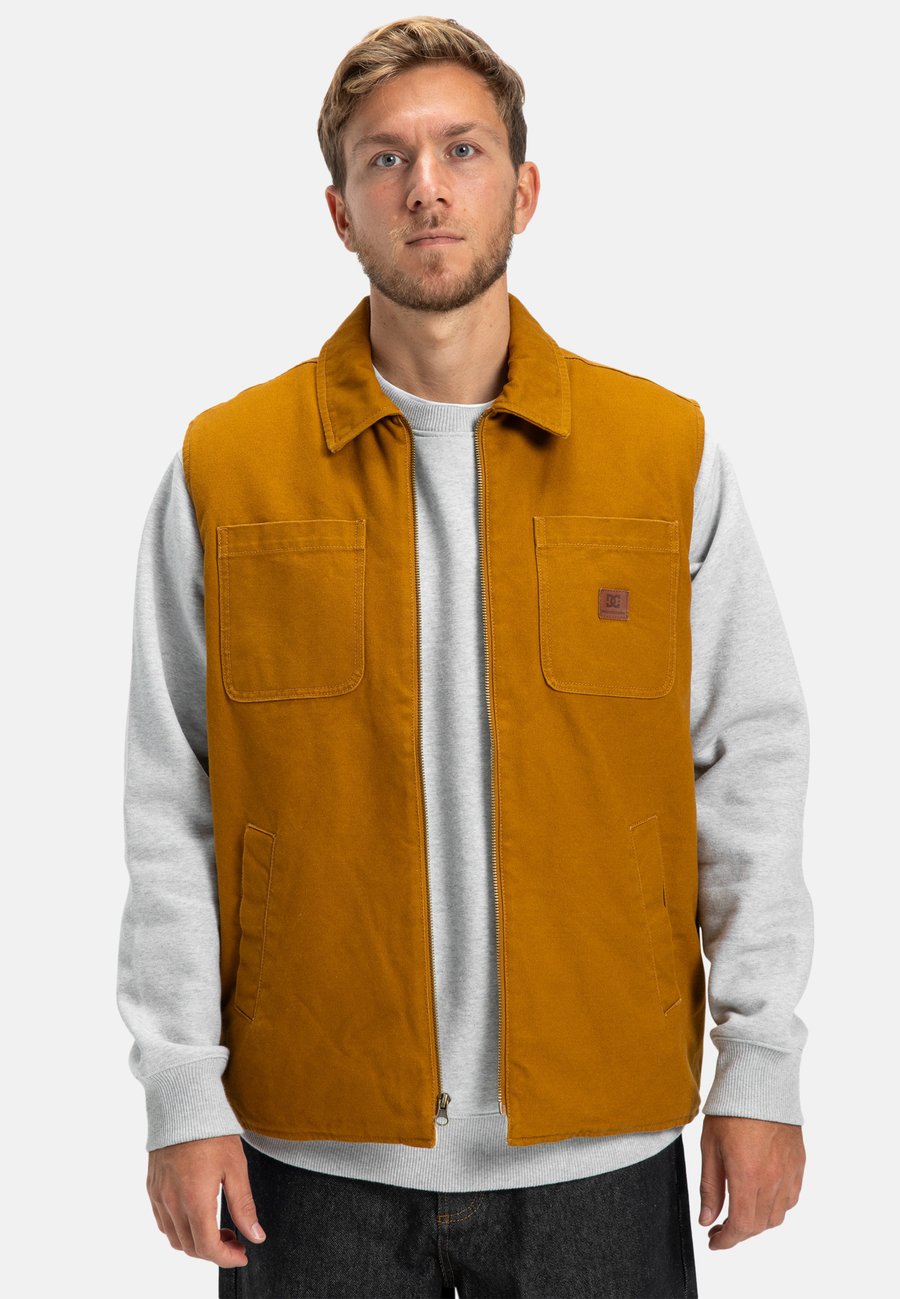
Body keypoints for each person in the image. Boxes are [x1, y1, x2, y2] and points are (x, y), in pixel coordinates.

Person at [116, 16, 813, 1298]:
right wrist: (179, 1090)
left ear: (523, 190)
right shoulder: (230, 468)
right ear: (340, 211)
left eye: (462, 150)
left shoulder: (662, 454)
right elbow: (172, 799)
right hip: (306, 1149)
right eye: (385, 160)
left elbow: (749, 765)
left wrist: (760, 1065)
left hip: (600, 1146)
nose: (425, 187)